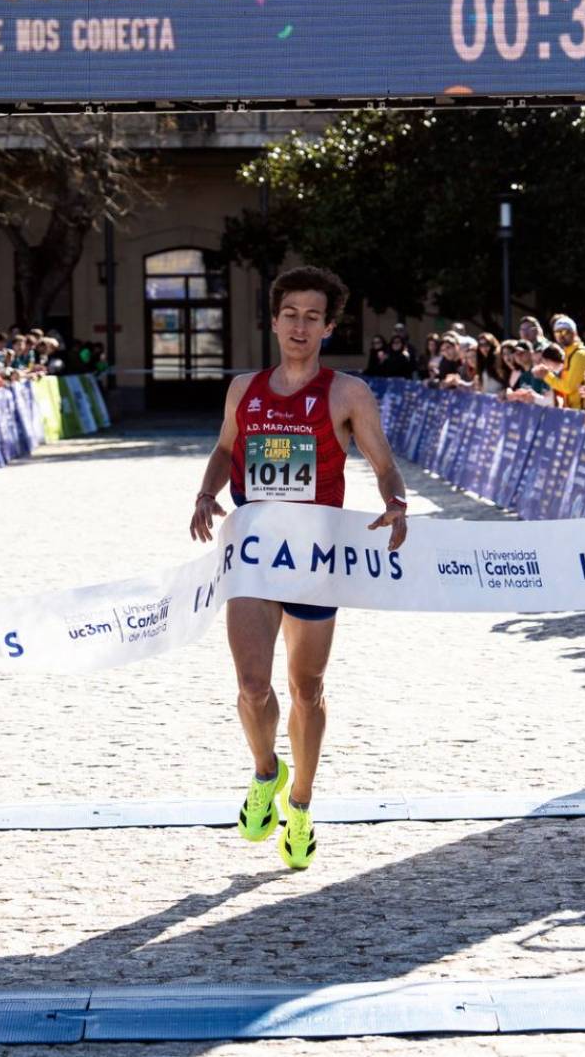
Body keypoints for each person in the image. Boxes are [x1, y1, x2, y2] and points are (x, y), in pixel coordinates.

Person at [188, 266, 409, 871]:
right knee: (252, 687)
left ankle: (303, 807)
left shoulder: (346, 393)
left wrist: (396, 499)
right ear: (275, 319)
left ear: (329, 327)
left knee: (305, 689)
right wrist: (207, 492)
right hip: (255, 557)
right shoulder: (244, 389)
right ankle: (266, 772)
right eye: (291, 314)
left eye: (313, 317)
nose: (300, 326)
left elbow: (383, 462)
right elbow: (227, 449)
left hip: (314, 559)